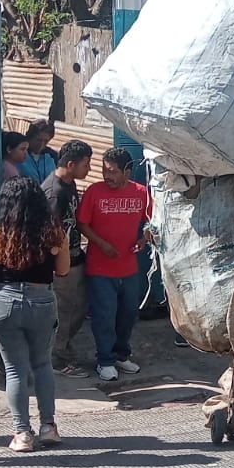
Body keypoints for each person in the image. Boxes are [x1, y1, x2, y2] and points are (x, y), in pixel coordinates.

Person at [0, 178, 69, 452]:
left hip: (5, 300)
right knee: (42, 364)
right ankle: (48, 427)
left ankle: (22, 433)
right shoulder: (55, 233)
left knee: (14, 369)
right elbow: (63, 271)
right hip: (42, 299)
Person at [77, 147, 152, 383]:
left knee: (128, 314)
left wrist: (143, 239)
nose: (106, 176)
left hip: (129, 267)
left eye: (112, 172)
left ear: (127, 172)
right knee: (104, 316)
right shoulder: (94, 192)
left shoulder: (141, 192)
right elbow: (82, 224)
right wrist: (100, 243)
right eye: (104, 170)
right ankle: (105, 360)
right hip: (100, 269)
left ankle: (121, 354)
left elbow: (152, 222)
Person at [41, 139, 94, 377]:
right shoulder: (54, 192)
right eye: (86, 164)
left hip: (75, 257)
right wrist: (56, 264)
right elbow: (49, 234)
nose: (89, 169)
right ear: (71, 164)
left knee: (78, 308)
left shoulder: (69, 184)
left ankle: (61, 349)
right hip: (61, 265)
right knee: (63, 312)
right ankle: (56, 358)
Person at [19, 119, 58, 185]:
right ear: (30, 136)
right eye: (38, 140)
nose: (41, 144)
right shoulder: (19, 153)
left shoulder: (52, 156)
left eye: (45, 141)